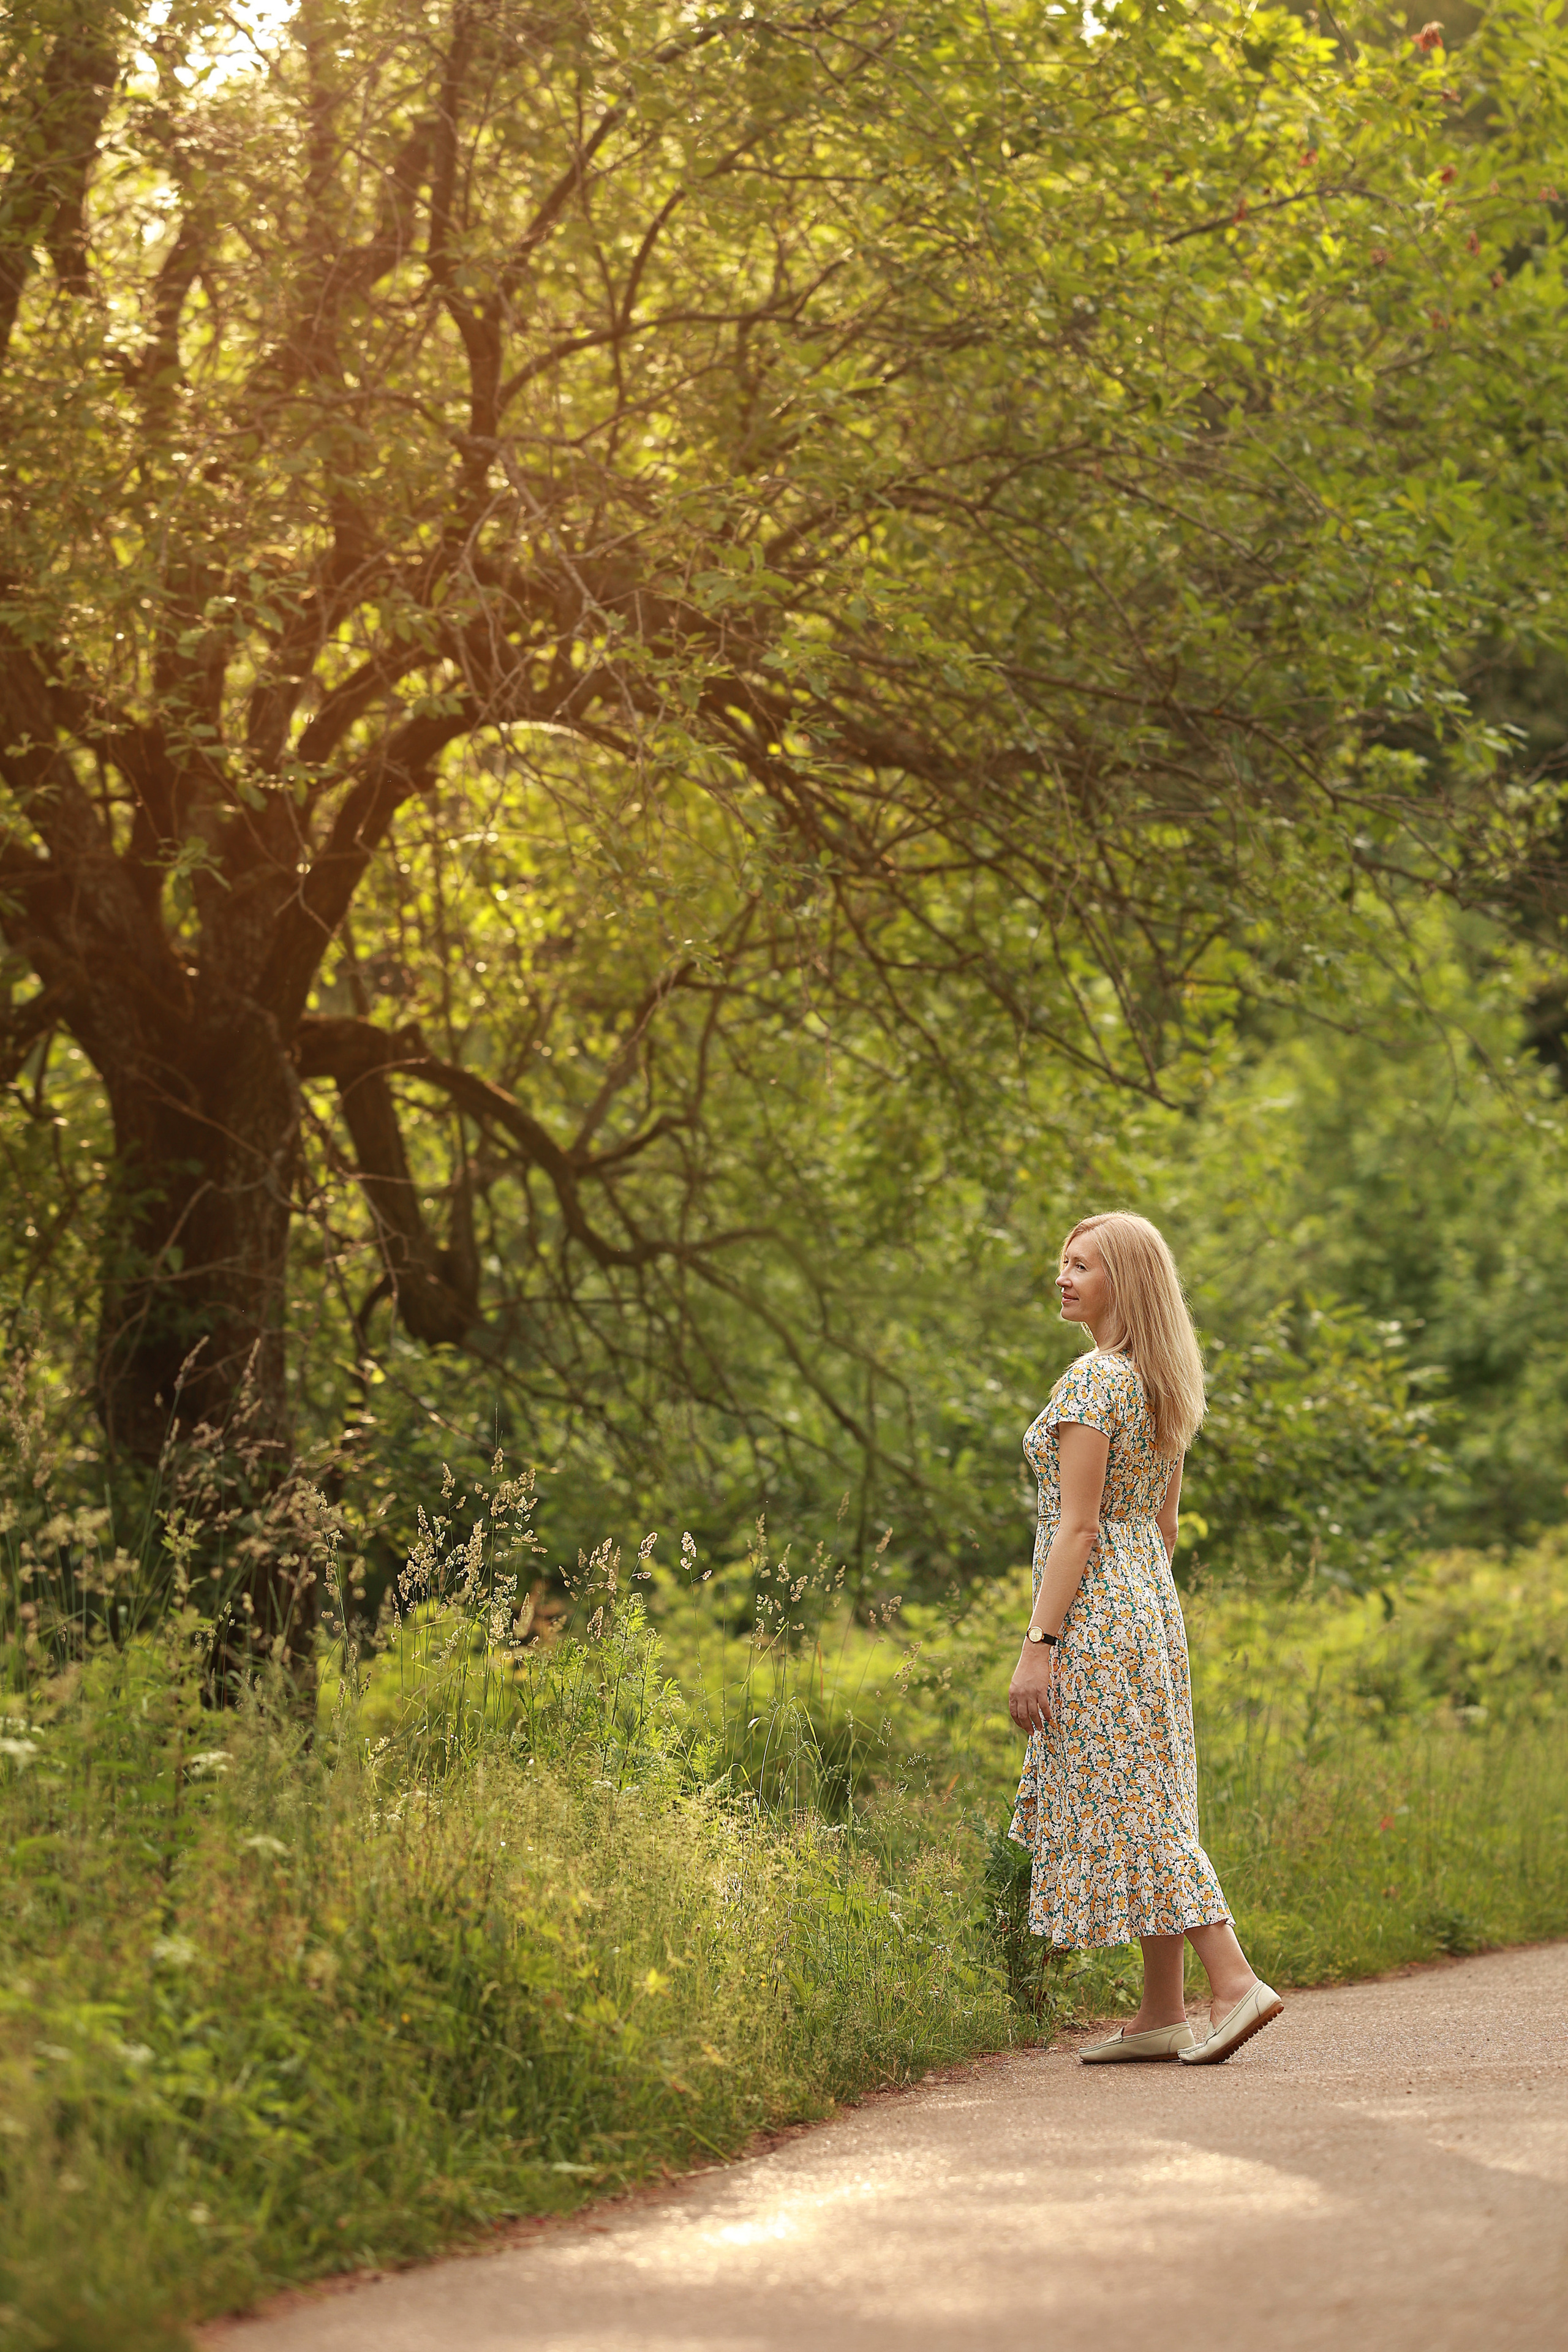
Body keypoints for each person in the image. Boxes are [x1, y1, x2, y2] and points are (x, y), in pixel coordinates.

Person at [1007, 1211, 1283, 2065]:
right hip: (1150, 1606)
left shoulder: (1094, 1381)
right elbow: (1161, 1529)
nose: (1063, 1276)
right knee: (1156, 1791)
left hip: (1095, 1609)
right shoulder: (1163, 1381)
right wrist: (1139, 1607)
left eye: (1081, 1265)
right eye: (1063, 1261)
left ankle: (1232, 1983)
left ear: (1122, 1281)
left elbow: (1078, 1528)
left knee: (1132, 1801)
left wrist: (1040, 1642)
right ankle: (1162, 2010)